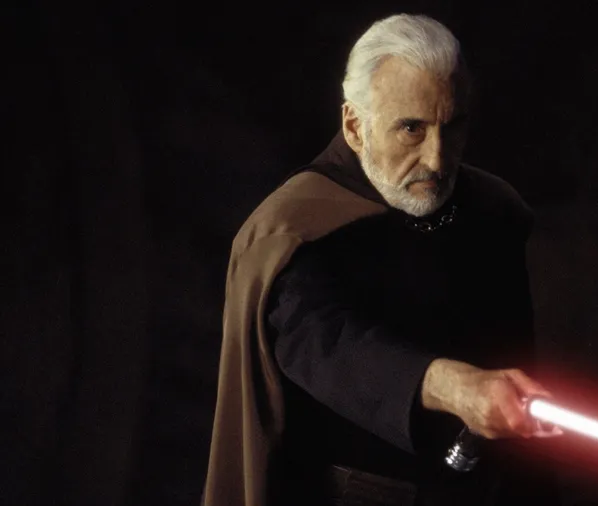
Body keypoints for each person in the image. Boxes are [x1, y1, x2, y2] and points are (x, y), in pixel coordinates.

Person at [202, 13, 560, 506]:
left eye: (451, 126)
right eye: (411, 129)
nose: (436, 159)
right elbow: (329, 345)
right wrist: (455, 387)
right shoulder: (295, 229)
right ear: (355, 125)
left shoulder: (490, 211)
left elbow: (515, 355)